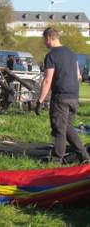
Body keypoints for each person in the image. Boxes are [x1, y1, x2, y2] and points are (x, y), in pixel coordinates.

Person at [35, 27, 90, 165]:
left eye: (43, 41)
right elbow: (78, 76)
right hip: (74, 97)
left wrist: (40, 101)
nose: (44, 43)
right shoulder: (71, 53)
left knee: (59, 130)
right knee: (68, 128)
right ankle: (85, 157)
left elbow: (47, 80)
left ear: (48, 38)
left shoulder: (52, 55)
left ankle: (56, 160)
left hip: (60, 98)